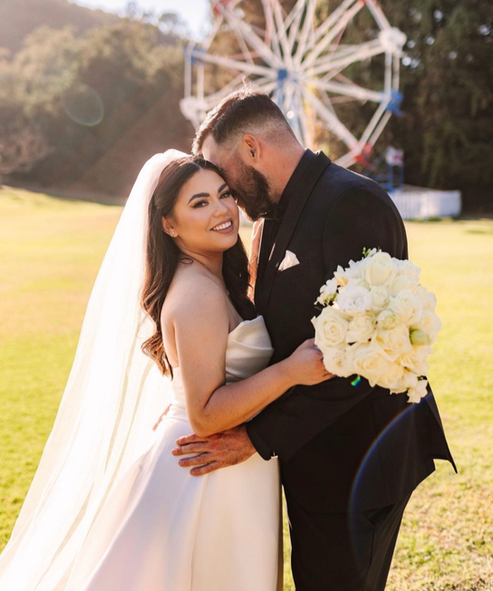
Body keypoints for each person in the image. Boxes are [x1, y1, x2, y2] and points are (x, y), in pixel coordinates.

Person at [0, 152, 331, 590]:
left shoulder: (214, 278)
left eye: (224, 194)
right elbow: (206, 415)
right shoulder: (196, 294)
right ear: (168, 225)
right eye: (199, 203)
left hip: (229, 469)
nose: (222, 210)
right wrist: (290, 372)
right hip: (204, 475)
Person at [174, 87, 457, 591]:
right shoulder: (270, 220)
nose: (227, 194)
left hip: (359, 463)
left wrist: (255, 438)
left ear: (253, 149)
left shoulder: (353, 202)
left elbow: (371, 356)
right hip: (311, 460)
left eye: (224, 174)